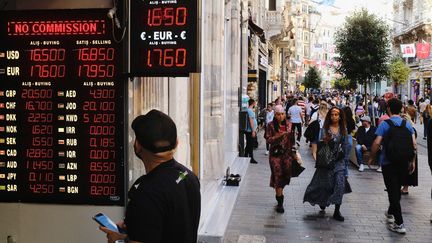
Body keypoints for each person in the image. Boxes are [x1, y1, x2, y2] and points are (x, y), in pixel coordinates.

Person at [99, 110, 201, 243]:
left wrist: (116, 241)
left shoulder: (146, 193)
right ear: (176, 143)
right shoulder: (188, 176)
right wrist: (134, 229)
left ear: (137, 146)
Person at [368, 98, 416, 234]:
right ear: (401, 109)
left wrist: (371, 158)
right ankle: (390, 212)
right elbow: (413, 144)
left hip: (388, 163)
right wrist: (412, 161)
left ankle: (399, 223)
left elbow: (377, 143)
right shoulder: (407, 124)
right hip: (403, 162)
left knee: (392, 191)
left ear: (388, 108)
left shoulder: (385, 124)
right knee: (395, 189)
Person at [303, 107, 350, 221]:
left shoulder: (343, 130)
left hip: (339, 162)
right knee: (325, 184)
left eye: (336, 114)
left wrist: (345, 163)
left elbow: (346, 146)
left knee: (339, 184)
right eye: (332, 114)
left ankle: (337, 211)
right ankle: (322, 201)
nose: (334, 116)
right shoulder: (324, 129)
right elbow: (320, 143)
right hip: (326, 161)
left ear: (340, 116)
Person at [265, 105, 295, 213]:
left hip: (286, 155)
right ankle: (280, 203)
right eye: (278, 114)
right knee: (278, 176)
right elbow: (268, 140)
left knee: (285, 176)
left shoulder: (289, 124)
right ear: (275, 114)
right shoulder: (270, 125)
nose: (281, 116)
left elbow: (292, 140)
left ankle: (279, 192)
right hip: (275, 156)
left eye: (282, 114)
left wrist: (294, 154)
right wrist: (278, 136)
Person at [342, 106, 356, 177]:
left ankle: (342, 170)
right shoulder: (352, 120)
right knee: (346, 156)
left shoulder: (341, 120)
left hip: (342, 137)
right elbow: (353, 130)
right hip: (349, 138)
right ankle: (346, 171)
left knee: (341, 155)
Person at [245, 99, 258, 164]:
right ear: (252, 103)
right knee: (250, 145)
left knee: (249, 144)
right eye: (255, 103)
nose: (255, 104)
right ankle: (251, 158)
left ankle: (245, 155)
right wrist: (253, 131)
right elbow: (251, 121)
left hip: (250, 130)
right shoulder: (250, 111)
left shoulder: (249, 110)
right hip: (250, 131)